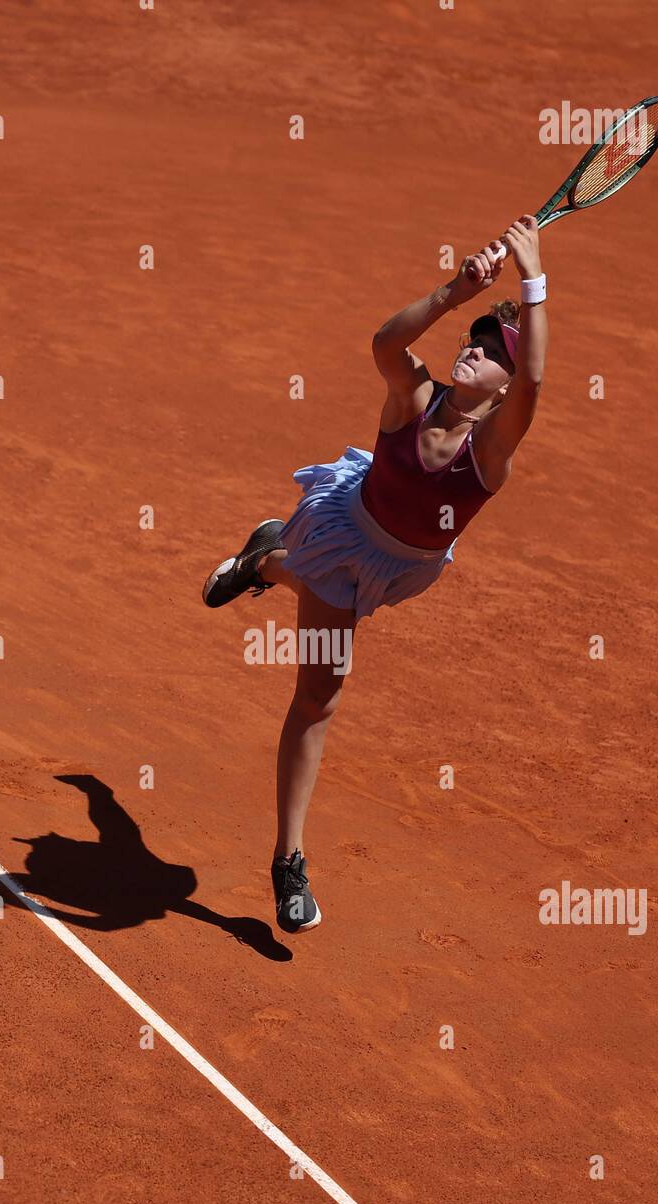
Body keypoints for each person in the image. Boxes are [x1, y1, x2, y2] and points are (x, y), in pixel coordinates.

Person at [202, 215, 547, 933]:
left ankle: (266, 557)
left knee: (335, 612)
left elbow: (537, 380)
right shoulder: (413, 399)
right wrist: (456, 291)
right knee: (320, 698)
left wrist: (534, 281)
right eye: (473, 342)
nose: (475, 353)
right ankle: (288, 861)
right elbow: (385, 344)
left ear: (505, 385)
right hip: (343, 535)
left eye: (492, 355)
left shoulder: (491, 452)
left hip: (404, 566)